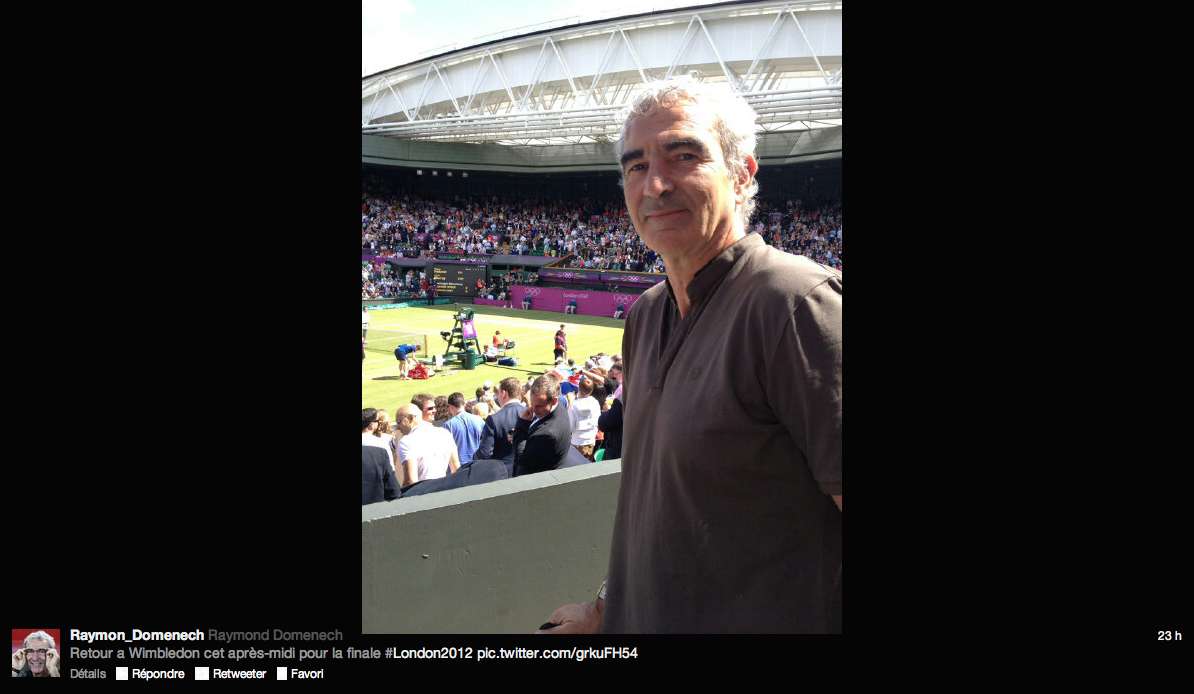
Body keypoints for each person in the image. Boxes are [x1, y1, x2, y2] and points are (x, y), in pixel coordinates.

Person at [539, 78, 841, 634]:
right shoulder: (645, 316)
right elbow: (661, 507)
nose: (654, 185)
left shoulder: (797, 304)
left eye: (684, 155)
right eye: (635, 166)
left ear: (743, 172)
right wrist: (605, 610)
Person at [512, 375, 572, 477]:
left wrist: (521, 427)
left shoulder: (547, 433)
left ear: (554, 401)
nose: (533, 409)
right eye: (532, 404)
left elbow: (522, 459)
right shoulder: (559, 407)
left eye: (539, 406)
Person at [395, 403, 460, 487]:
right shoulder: (444, 433)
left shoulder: (406, 441)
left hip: (423, 493)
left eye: (399, 422)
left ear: (411, 418)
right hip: (444, 489)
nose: (398, 427)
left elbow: (410, 481)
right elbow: (456, 469)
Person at [477, 377, 526, 470]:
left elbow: (484, 453)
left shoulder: (494, 419)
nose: (497, 397)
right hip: (527, 471)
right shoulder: (531, 413)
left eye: (498, 393)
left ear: (504, 393)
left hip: (502, 474)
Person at [443, 392, 486, 465]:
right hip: (478, 463)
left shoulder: (448, 425)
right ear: (464, 404)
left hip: (460, 466)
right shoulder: (479, 420)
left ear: (450, 407)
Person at [567, 377, 601, 460]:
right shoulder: (595, 402)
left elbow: (570, 427)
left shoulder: (574, 405)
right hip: (590, 441)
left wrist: (570, 404)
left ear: (579, 387)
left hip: (577, 442)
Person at [361, 408, 394, 472]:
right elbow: (390, 469)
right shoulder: (381, 443)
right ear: (371, 425)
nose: (379, 423)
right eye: (377, 421)